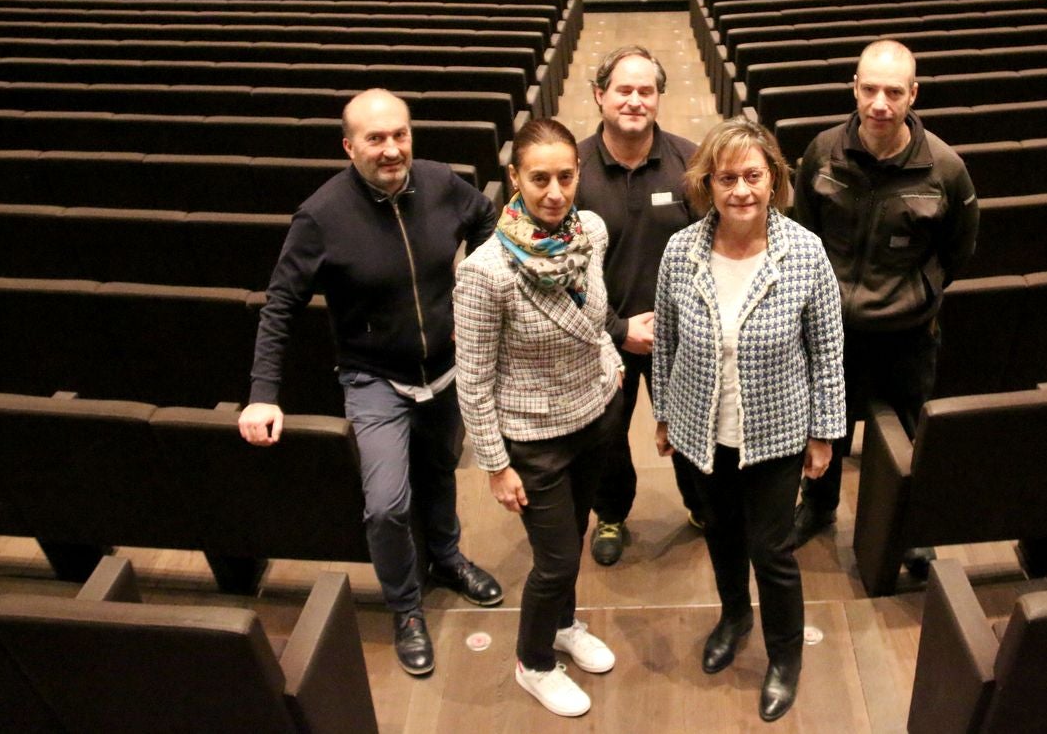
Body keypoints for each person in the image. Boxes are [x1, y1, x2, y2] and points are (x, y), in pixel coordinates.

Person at [239, 88, 503, 678]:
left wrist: (476, 294)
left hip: (445, 372)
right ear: (349, 145)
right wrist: (262, 395)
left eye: (400, 134)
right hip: (374, 377)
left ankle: (448, 557)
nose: (391, 149)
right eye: (375, 139)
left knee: (439, 471)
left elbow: (488, 218)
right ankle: (406, 607)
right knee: (386, 504)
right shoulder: (321, 215)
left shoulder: (440, 182)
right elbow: (280, 305)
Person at [651, 118, 846, 723]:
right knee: (719, 532)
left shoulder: (805, 251)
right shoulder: (681, 251)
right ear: (707, 183)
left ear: (775, 180)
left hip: (778, 431)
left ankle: (785, 655)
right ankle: (735, 616)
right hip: (700, 429)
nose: (741, 190)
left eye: (753, 177)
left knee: (773, 549)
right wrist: (664, 415)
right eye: (727, 178)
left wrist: (824, 433)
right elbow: (667, 343)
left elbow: (828, 347)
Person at [454, 118, 624, 719]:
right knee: (554, 559)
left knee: (573, 541)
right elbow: (472, 381)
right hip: (533, 437)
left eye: (565, 176)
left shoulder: (592, 231)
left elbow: (595, 315)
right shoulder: (486, 272)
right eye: (539, 179)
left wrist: (608, 360)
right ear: (514, 179)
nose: (554, 192)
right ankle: (533, 660)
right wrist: (496, 466)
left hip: (594, 413)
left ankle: (564, 624)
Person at [786, 40, 979, 569]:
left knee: (911, 435)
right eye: (869, 89)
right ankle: (818, 509)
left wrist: (919, 293)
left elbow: (958, 249)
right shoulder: (821, 153)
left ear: (912, 94)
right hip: (829, 331)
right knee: (825, 426)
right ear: (854, 87)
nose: (879, 104)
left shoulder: (945, 169)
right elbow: (802, 234)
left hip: (906, 335)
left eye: (894, 92)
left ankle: (907, 527)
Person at [575, 45, 705, 567]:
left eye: (645, 91)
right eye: (623, 90)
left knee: (695, 429)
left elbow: (714, 247)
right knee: (606, 437)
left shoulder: (691, 163)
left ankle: (701, 504)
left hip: (681, 333)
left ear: (659, 98)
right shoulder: (572, 169)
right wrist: (617, 328)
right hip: (601, 335)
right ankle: (611, 514)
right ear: (599, 95)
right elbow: (553, 269)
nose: (634, 100)